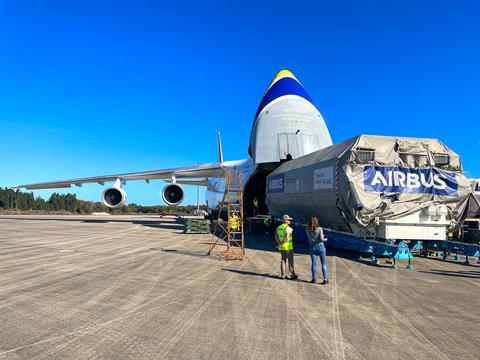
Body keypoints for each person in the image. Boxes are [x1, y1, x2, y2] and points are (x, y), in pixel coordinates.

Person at [306, 216, 328, 285]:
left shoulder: (307, 229)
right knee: (323, 264)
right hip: (321, 247)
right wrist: (326, 239)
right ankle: (325, 279)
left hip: (312, 247)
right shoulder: (319, 229)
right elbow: (321, 239)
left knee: (314, 264)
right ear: (317, 222)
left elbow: (309, 238)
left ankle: (314, 278)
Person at [275, 215, 298, 280]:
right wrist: (282, 243)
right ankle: (292, 274)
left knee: (283, 260)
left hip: (282, 247)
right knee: (290, 261)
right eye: (288, 220)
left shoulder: (278, 227)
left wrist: (279, 243)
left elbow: (276, 236)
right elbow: (287, 237)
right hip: (288, 247)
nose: (290, 221)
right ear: (285, 220)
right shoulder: (289, 228)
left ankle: (283, 275)